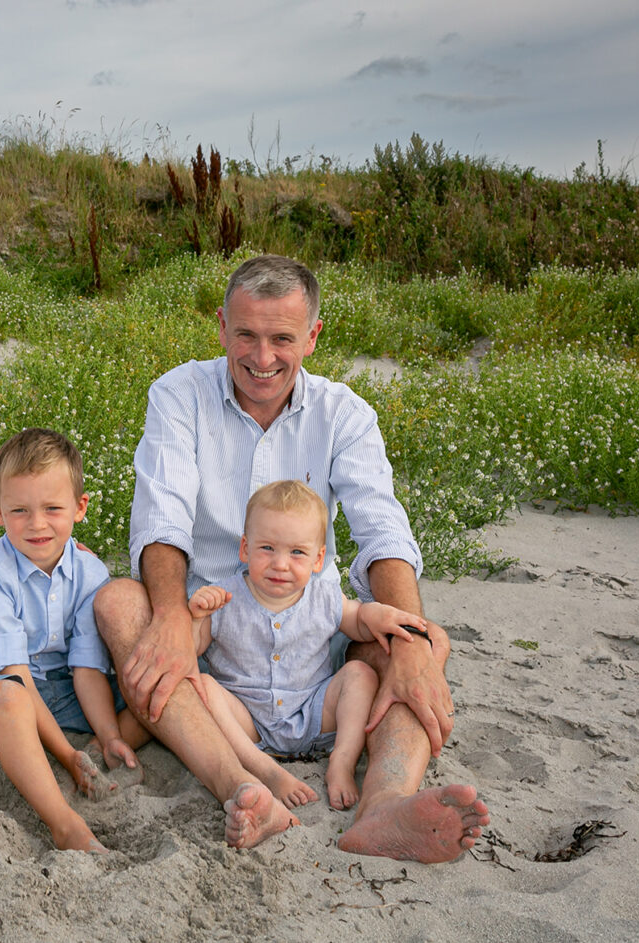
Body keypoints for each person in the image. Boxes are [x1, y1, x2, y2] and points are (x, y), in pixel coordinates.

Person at [95, 253, 489, 861]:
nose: (261, 357)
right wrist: (174, 616)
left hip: (315, 645)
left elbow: (382, 528)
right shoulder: (179, 394)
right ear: (222, 326)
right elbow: (161, 516)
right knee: (120, 603)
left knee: (418, 639)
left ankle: (382, 806)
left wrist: (412, 644)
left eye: (282, 338)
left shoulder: (344, 413)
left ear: (312, 336)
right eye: (246, 335)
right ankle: (243, 786)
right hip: (211, 626)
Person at [0, 429, 149, 853]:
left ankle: (98, 747)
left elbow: (86, 668)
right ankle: (63, 822)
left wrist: (107, 733)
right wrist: (67, 756)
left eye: (52, 508)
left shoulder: (89, 573)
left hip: (56, 686)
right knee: (13, 701)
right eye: (19, 511)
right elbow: (17, 681)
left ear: (80, 508)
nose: (37, 524)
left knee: (145, 690)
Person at [188, 479, 429, 812]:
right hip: (247, 720)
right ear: (245, 548)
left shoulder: (324, 597)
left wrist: (378, 614)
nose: (280, 564)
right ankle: (262, 768)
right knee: (202, 686)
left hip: (314, 713)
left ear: (318, 560)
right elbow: (190, 650)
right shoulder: (224, 597)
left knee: (359, 674)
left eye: (297, 552)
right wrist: (197, 617)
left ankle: (341, 762)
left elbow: (357, 620)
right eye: (267, 548)